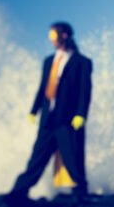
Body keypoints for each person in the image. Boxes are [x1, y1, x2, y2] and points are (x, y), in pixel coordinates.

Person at [11, 22, 92, 196]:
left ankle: (80, 193)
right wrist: (34, 110)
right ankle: (19, 191)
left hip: (68, 120)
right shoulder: (49, 61)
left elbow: (85, 91)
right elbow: (43, 87)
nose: (50, 40)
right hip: (48, 120)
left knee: (73, 158)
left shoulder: (82, 62)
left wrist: (80, 114)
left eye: (53, 36)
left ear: (64, 36)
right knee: (37, 158)